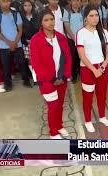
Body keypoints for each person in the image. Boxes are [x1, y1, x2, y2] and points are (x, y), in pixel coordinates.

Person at [30, 8, 72, 139]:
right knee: (53, 106)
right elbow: (36, 64)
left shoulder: (61, 37)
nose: (50, 22)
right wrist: (52, 78)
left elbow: (68, 58)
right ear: (41, 23)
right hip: (47, 81)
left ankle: (59, 126)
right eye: (46, 20)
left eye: (52, 19)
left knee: (60, 104)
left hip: (62, 78)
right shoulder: (35, 40)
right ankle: (53, 132)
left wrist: (64, 76)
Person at [76, 5, 108, 132]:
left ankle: (102, 116)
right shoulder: (81, 33)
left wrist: (102, 66)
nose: (95, 18)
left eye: (96, 15)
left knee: (102, 95)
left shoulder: (104, 32)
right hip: (87, 70)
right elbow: (82, 55)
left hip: (102, 68)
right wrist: (94, 70)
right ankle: (88, 120)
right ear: (85, 18)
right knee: (88, 97)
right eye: (91, 15)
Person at [0, 0, 32, 92]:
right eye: (3, 1)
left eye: (7, 1)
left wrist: (15, 42)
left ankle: (26, 80)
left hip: (17, 43)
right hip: (3, 45)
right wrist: (9, 42)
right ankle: (7, 83)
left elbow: (20, 29)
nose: (6, 3)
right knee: (6, 66)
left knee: (22, 63)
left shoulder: (15, 12)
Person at [63, 0, 84, 83]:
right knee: (73, 58)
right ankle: (74, 76)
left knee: (81, 57)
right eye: (74, 1)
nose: (76, 2)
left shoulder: (82, 11)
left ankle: (81, 74)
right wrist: (75, 39)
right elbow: (67, 28)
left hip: (81, 40)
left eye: (78, 0)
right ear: (71, 2)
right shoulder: (67, 12)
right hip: (72, 40)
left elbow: (85, 24)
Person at [20, 0, 39, 85]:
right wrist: (25, 41)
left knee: (38, 59)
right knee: (30, 61)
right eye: (25, 5)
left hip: (37, 42)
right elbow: (20, 31)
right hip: (26, 42)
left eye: (29, 5)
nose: (27, 7)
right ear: (23, 7)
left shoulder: (36, 16)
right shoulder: (21, 17)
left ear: (32, 6)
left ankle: (39, 76)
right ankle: (35, 78)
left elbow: (39, 29)